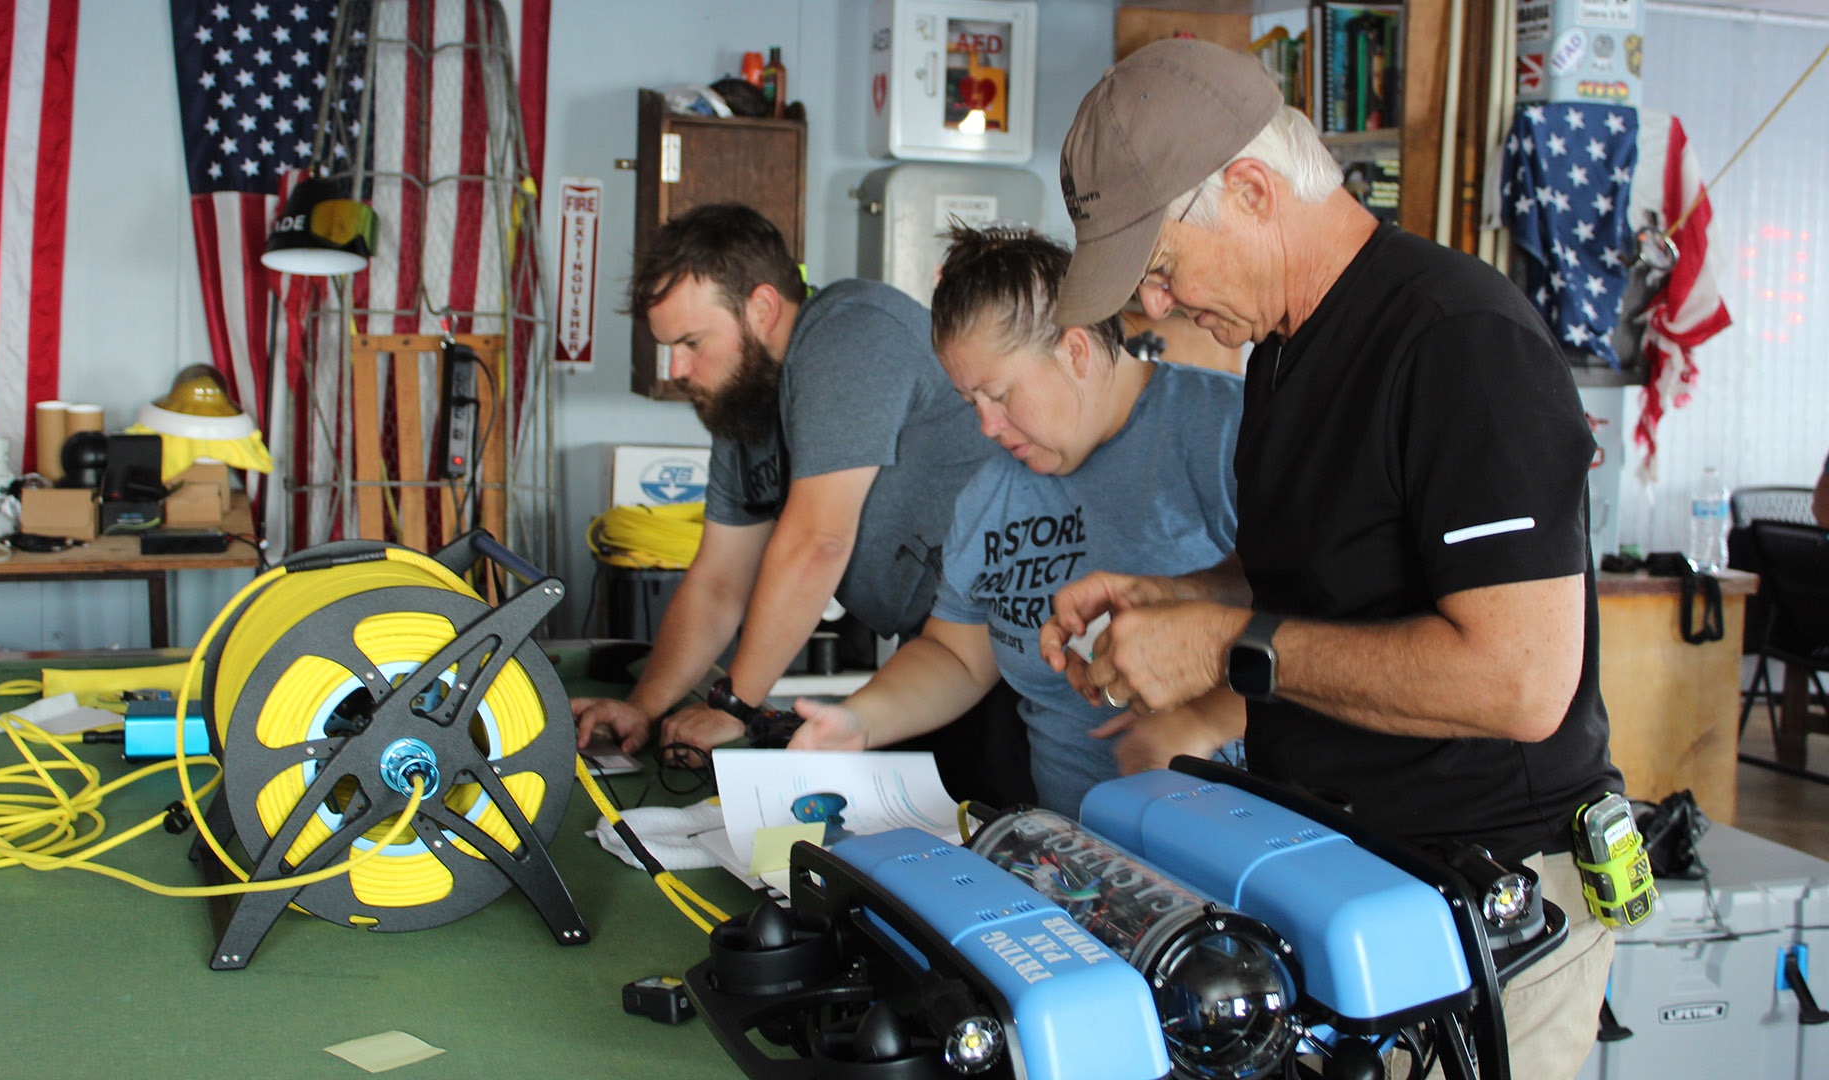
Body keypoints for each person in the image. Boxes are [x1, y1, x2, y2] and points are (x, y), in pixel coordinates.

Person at [1037, 40, 1623, 1080]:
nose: (1158, 310)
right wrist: (1175, 596)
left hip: (1488, 908)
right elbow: (1325, 571)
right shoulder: (1287, 350)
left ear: (1252, 190)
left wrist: (1223, 643)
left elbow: (1523, 681)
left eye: (1163, 270)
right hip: (1341, 883)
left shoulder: (1458, 341)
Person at [572, 203, 1033, 808]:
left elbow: (820, 539)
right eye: (669, 348)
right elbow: (717, 580)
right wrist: (643, 706)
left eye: (691, 342)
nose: (677, 369)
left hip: (1019, 658)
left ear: (762, 309)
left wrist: (734, 705)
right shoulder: (745, 414)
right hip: (940, 656)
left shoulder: (848, 328)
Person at [788, 225, 1246, 817]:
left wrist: (1205, 719)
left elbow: (1337, 633)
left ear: (1075, 351)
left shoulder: (1225, 432)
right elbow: (956, 655)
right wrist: (860, 720)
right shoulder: (992, 490)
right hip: (1074, 857)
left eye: (999, 395)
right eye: (969, 402)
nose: (986, 425)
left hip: (1232, 843)